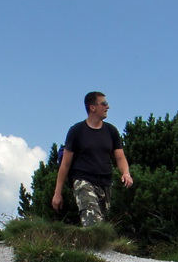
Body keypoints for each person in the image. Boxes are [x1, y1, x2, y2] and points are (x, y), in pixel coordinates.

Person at [52, 91, 133, 226]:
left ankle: (91, 245)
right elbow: (65, 164)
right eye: (104, 104)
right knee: (91, 219)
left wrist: (126, 173)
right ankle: (93, 246)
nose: (108, 107)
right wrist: (57, 193)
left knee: (100, 223)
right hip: (83, 180)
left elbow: (120, 157)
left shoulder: (111, 131)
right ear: (92, 107)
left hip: (105, 182)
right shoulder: (76, 131)